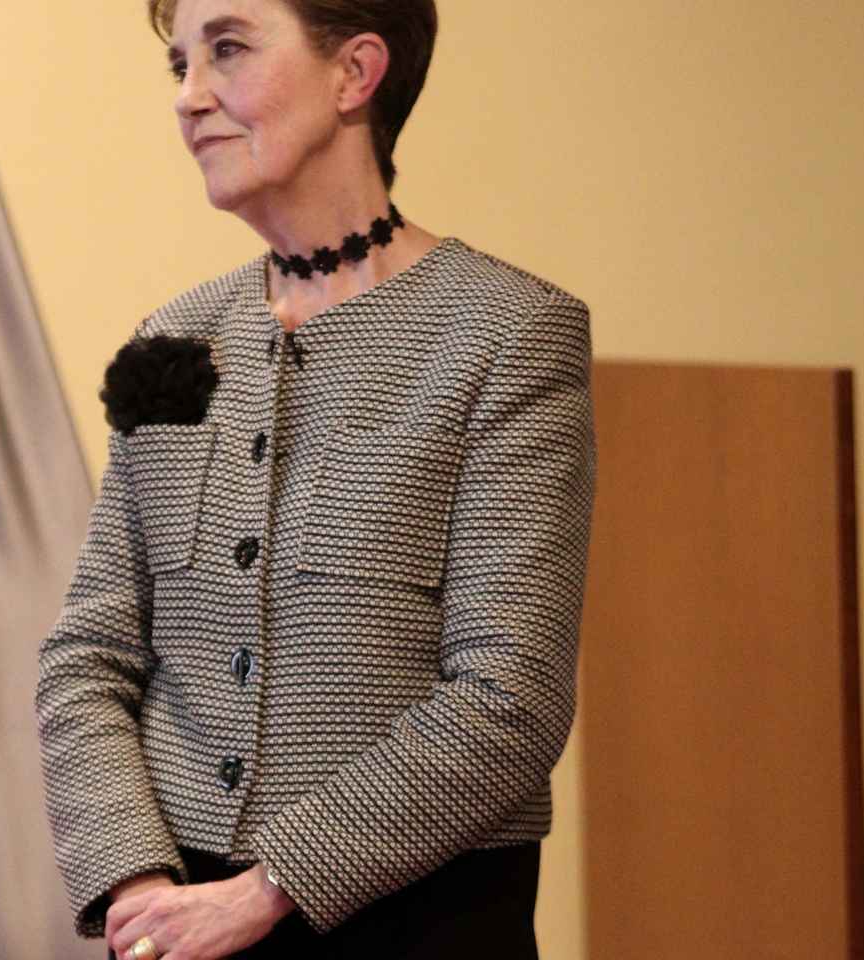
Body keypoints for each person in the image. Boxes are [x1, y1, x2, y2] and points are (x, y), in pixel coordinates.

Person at [33, 0, 595, 957]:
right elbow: (87, 657)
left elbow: (512, 697)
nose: (188, 97)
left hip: (421, 926)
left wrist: (265, 892)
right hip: (175, 927)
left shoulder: (507, 335)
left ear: (355, 73)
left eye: (228, 49)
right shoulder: (173, 340)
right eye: (179, 65)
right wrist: (138, 885)